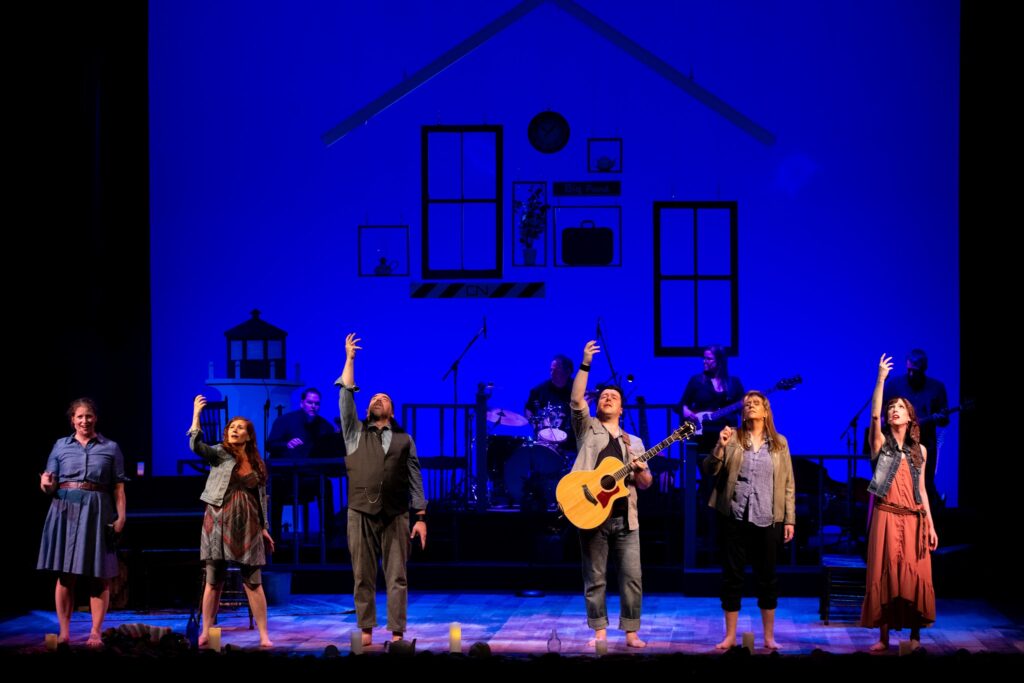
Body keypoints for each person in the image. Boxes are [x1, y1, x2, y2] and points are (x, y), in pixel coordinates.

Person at [336, 333, 427, 647]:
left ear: (392, 409)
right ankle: (366, 628)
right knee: (362, 574)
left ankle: (397, 630)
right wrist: (350, 359)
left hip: (396, 512)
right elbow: (346, 397)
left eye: (383, 399)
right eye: (373, 398)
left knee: (396, 575)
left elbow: (415, 477)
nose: (377, 400)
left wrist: (421, 516)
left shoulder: (404, 439)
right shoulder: (354, 432)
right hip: (360, 510)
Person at [569, 340, 652, 648]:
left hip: (625, 519)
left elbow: (645, 483)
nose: (607, 398)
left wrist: (641, 470)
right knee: (595, 578)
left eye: (613, 397)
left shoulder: (635, 442)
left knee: (632, 577)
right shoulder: (587, 428)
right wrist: (585, 363)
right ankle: (599, 632)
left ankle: (631, 631)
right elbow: (577, 398)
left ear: (620, 408)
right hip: (592, 515)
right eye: (603, 396)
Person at [702, 390, 795, 650]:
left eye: (757, 404)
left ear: (766, 412)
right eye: (747, 404)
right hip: (735, 515)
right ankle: (730, 636)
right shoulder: (732, 438)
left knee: (767, 577)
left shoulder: (779, 443)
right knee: (732, 577)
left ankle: (768, 637)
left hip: (768, 518)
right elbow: (710, 469)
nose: (751, 406)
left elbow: (788, 484)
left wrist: (790, 520)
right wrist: (719, 445)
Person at [861, 354, 937, 652]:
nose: (894, 410)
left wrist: (930, 524)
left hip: (915, 518)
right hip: (886, 516)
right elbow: (874, 417)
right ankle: (883, 638)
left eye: (900, 407)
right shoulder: (880, 445)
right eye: (893, 407)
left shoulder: (921, 451)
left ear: (910, 417)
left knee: (915, 575)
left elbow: (922, 490)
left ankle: (915, 638)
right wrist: (880, 379)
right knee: (885, 573)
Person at [38, 397, 128, 646]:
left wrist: (121, 517)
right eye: (79, 416)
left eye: (88, 416)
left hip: (98, 510)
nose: (84, 420)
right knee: (66, 574)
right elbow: (49, 482)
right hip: (65, 510)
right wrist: (45, 486)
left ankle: (95, 632)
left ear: (95, 418)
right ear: (72, 420)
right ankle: (64, 633)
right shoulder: (60, 446)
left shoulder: (111, 447)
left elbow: (118, 487)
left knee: (99, 574)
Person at [188, 395, 275, 648]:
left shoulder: (257, 463)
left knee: (253, 580)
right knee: (214, 579)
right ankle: (205, 630)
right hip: (217, 518)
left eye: (241, 428)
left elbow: (262, 498)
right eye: (232, 427)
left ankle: (263, 635)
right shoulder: (219, 453)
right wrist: (196, 416)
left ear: (249, 436)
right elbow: (196, 447)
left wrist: (265, 528)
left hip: (247, 523)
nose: (235, 430)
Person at [266, 387, 340, 536]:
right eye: (310, 403)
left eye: (317, 404)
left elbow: (331, 448)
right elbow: (270, 445)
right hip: (285, 477)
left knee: (325, 485)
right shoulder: (285, 421)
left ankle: (330, 536)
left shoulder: (324, 426)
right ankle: (275, 538)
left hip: (309, 478)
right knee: (274, 488)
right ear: (302, 403)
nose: (313, 406)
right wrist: (286, 445)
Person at [882, 349, 949, 506]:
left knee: (924, 484)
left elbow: (944, 421)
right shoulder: (894, 386)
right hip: (899, 445)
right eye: (909, 370)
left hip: (926, 445)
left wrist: (940, 419)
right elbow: (883, 416)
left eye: (916, 372)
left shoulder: (936, 388)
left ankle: (930, 519)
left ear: (924, 369)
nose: (912, 375)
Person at [678, 345, 746, 457]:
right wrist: (686, 411)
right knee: (706, 471)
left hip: (727, 438)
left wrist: (753, 404)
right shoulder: (697, 381)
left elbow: (742, 410)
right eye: (704, 358)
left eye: (709, 359)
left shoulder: (734, 383)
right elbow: (682, 405)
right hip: (702, 438)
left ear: (720, 361)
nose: (704, 362)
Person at [524, 353, 577, 453]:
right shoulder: (539, 390)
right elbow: (528, 409)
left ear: (568, 372)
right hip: (545, 443)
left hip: (570, 445)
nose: (552, 373)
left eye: (556, 370)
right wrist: (535, 426)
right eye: (551, 370)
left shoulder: (578, 390)